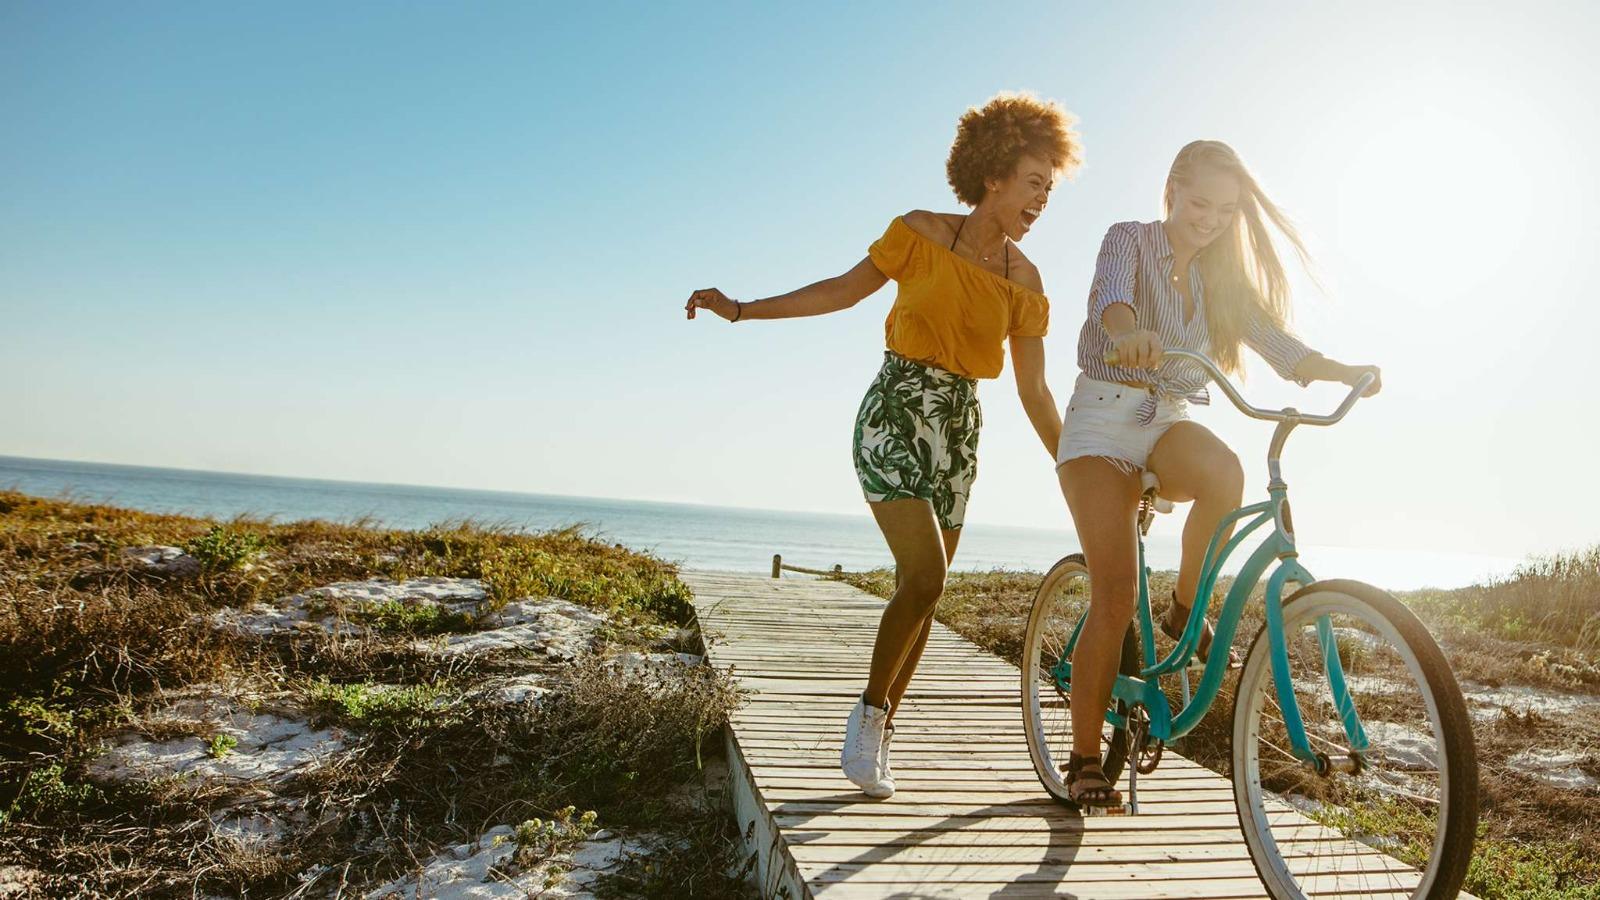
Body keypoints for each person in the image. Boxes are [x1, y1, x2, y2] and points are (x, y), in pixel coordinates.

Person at [685, 93, 1081, 798]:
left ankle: (882, 725)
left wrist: (1078, 471)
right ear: (993, 174)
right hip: (895, 409)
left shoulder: (1025, 281)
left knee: (922, 594)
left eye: (1049, 188)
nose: (1042, 199)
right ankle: (868, 717)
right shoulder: (919, 232)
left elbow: (1036, 394)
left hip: (958, 431)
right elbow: (841, 290)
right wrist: (742, 309)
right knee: (925, 575)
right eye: (1033, 182)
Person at [1056, 139, 1382, 807]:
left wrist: (1343, 371)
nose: (1208, 218)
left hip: (1165, 419)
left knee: (1226, 473)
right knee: (1114, 597)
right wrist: (1127, 334)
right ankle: (1084, 756)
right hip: (1101, 420)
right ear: (1173, 186)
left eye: (1225, 210)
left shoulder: (1220, 280)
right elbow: (1111, 299)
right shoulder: (1130, 238)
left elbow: (1281, 346)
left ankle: (1182, 607)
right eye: (1200, 201)